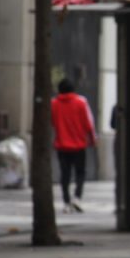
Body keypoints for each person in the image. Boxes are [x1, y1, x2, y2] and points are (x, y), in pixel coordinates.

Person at [50, 78, 97, 213]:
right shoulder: (81, 102)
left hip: (62, 145)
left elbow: (52, 122)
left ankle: (66, 202)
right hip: (78, 145)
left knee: (65, 174)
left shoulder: (54, 104)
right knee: (80, 173)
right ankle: (77, 198)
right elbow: (89, 124)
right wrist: (93, 140)